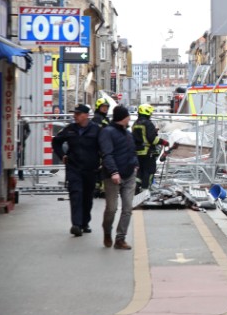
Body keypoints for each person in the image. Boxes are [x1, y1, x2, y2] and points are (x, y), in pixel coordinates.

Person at [52, 104, 102, 237]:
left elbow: (104, 147)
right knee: (76, 195)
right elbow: (56, 142)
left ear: (86, 115)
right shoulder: (70, 129)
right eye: (75, 114)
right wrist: (62, 155)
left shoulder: (96, 130)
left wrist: (102, 162)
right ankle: (76, 225)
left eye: (78, 114)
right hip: (74, 168)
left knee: (87, 197)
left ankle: (85, 223)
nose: (75, 116)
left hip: (90, 169)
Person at [99, 106, 138, 250]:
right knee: (112, 208)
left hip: (129, 175)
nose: (130, 119)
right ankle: (107, 230)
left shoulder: (128, 134)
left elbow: (132, 152)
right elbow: (107, 154)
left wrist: (135, 164)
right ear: (123, 117)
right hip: (112, 177)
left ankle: (120, 238)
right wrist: (114, 172)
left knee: (127, 208)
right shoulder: (107, 132)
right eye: (128, 116)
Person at [131, 104, 168, 191]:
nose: (151, 114)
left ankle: (136, 189)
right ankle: (145, 190)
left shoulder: (135, 124)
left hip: (137, 152)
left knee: (140, 172)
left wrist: (153, 132)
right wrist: (163, 142)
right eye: (150, 112)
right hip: (148, 152)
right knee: (149, 171)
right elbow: (152, 139)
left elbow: (139, 136)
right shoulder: (148, 123)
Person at [16, 107, 30, 181]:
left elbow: (28, 131)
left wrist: (24, 137)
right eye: (17, 111)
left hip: (21, 143)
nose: (18, 112)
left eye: (19, 111)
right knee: (13, 158)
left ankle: (20, 175)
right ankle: (10, 174)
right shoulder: (13, 119)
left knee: (21, 159)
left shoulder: (24, 121)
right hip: (14, 142)